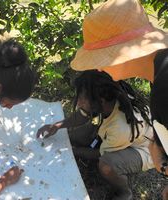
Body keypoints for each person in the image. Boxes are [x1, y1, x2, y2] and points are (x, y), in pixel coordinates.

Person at [69, 0, 168, 198]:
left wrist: (163, 165)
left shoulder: (164, 88)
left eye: (99, 60)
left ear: (121, 54)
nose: (98, 69)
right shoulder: (159, 72)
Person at [37, 70, 154, 200]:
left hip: (146, 149)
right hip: (122, 134)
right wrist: (57, 126)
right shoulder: (106, 99)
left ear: (101, 101)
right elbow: (82, 115)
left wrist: (73, 151)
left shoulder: (121, 127)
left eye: (82, 99)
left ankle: (125, 192)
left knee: (106, 165)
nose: (79, 103)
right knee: (74, 136)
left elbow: (100, 153)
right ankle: (98, 139)